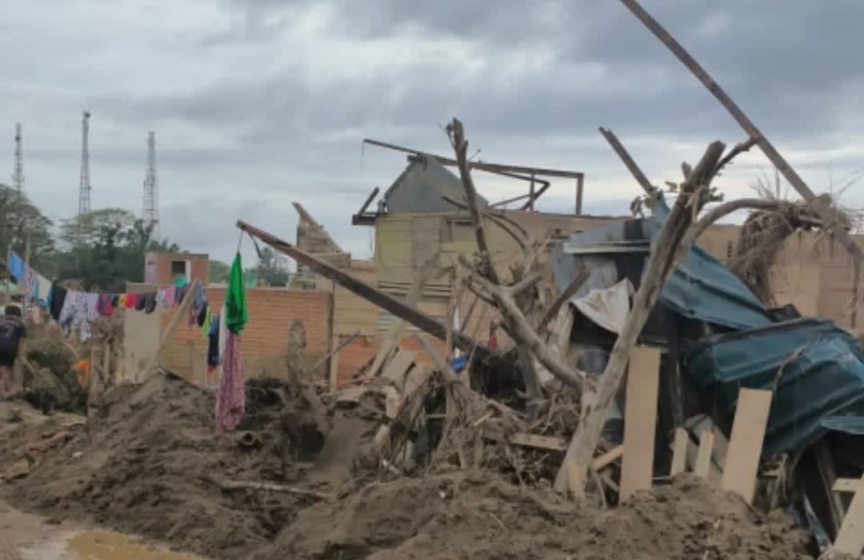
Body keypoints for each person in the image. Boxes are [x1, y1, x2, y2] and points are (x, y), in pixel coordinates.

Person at [0, 305, 27, 399]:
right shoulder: (20, 324)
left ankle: (5, 392)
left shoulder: (1, 321)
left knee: (3, 370)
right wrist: (20, 354)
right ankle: (7, 392)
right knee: (8, 370)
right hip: (10, 348)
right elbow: (22, 340)